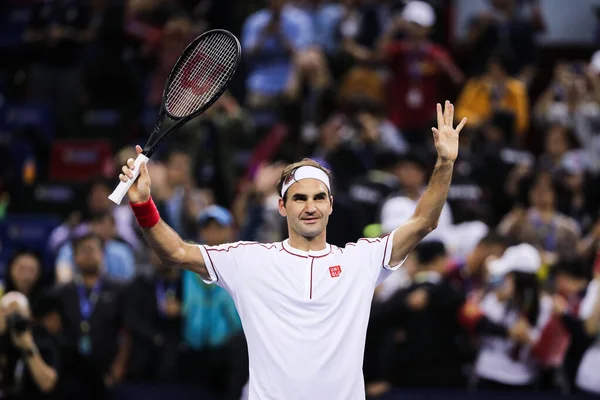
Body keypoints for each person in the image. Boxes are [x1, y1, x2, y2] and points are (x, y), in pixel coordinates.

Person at [117, 101, 467, 399]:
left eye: (318, 198)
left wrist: (445, 163)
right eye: (299, 198)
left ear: (331, 205)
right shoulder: (248, 260)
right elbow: (175, 252)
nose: (310, 206)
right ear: (282, 207)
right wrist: (143, 204)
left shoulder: (362, 259)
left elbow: (423, 221)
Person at [0, 292, 60, 400]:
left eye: (18, 314)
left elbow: (47, 384)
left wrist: (29, 347)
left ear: (29, 315)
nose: (14, 320)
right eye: (9, 314)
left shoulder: (42, 340)